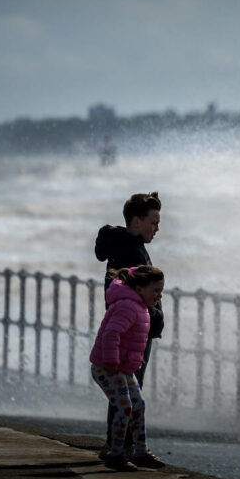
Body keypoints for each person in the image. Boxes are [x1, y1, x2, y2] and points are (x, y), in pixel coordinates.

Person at [94, 191, 163, 458]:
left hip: (137, 330)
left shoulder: (128, 245)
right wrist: (154, 318)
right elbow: (132, 296)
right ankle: (120, 448)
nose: (156, 229)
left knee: (128, 393)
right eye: (153, 222)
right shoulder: (129, 250)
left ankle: (126, 447)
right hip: (132, 332)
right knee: (126, 393)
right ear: (136, 221)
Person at [90, 265, 167, 471]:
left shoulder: (141, 307)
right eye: (156, 290)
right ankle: (116, 454)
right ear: (140, 288)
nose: (159, 295)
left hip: (123, 368)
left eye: (161, 291)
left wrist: (133, 360)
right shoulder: (128, 306)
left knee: (138, 405)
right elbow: (111, 335)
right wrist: (112, 361)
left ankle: (140, 452)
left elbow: (132, 339)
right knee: (125, 407)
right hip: (106, 367)